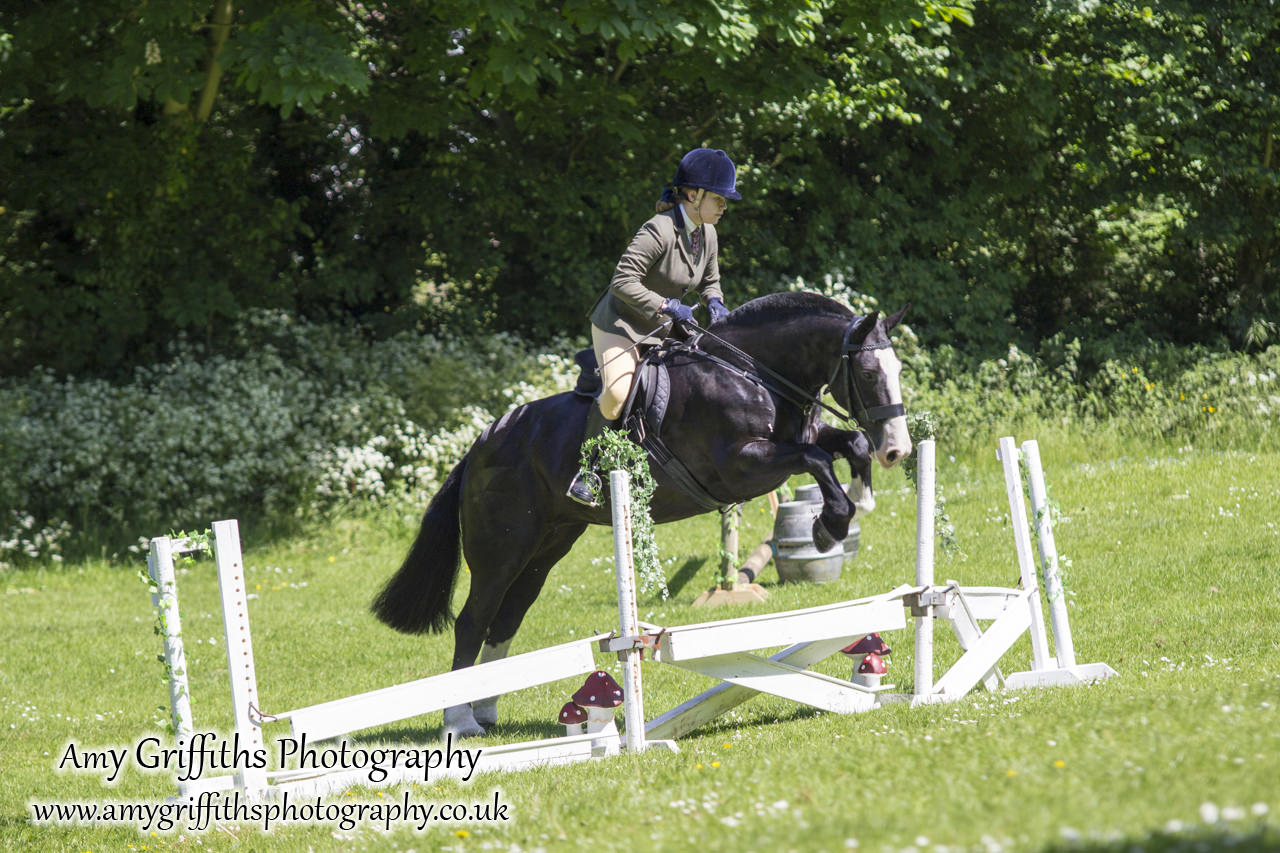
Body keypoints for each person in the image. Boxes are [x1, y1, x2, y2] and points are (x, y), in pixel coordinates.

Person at [567, 147, 742, 505]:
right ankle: (587, 471)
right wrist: (665, 304)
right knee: (616, 397)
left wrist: (716, 304)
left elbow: (710, 281)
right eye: (719, 198)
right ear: (693, 196)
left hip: (665, 324)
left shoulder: (707, 233)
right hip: (621, 323)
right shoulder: (658, 229)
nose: (724, 206)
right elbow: (622, 281)